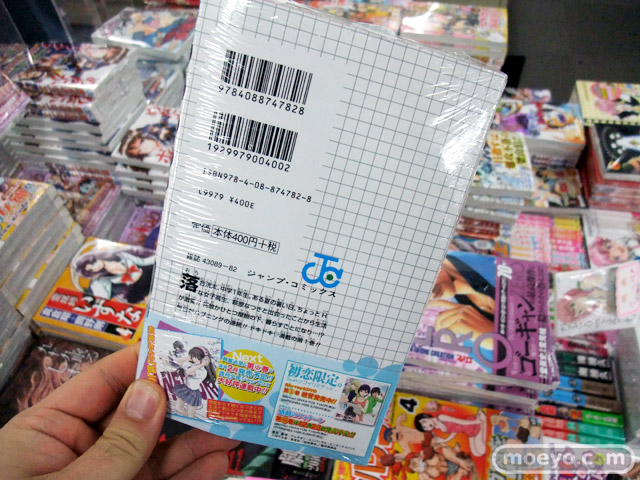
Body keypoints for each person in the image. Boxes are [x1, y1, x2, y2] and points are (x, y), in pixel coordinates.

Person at [0, 343, 237, 479]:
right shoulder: (194, 364)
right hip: (181, 394)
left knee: (190, 411)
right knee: (185, 410)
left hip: (191, 393)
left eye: (195, 357)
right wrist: (191, 361)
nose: (192, 359)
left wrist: (198, 364)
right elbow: (185, 365)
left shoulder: (201, 370)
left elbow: (191, 370)